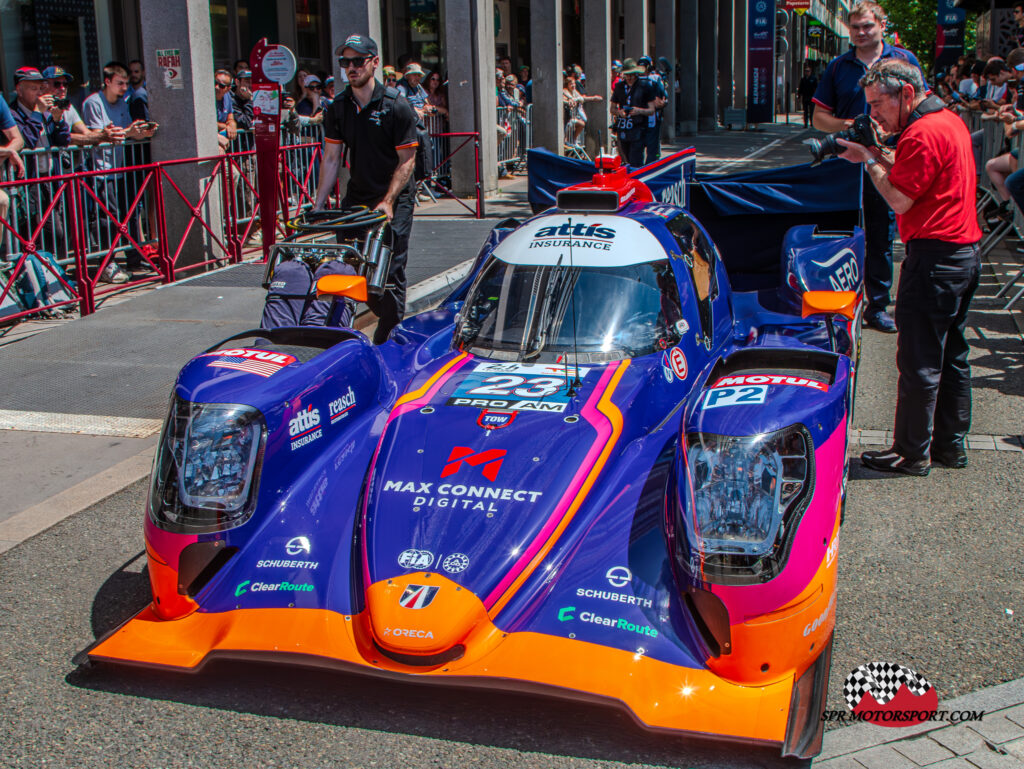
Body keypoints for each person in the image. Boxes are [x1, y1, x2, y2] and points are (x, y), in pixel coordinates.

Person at [836, 58, 981, 476]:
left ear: (907, 94)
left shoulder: (922, 132)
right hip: (963, 254)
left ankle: (911, 452)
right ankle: (951, 447)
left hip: (936, 257)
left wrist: (868, 158)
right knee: (952, 354)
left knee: (919, 360)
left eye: (878, 104)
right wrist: (878, 151)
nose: (873, 114)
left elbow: (900, 198)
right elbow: (915, 176)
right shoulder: (947, 120)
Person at [812, 1, 926, 335]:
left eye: (868, 26)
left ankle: (877, 306)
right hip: (844, 163)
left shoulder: (904, 61)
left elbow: (921, 108)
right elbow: (819, 118)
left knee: (881, 235)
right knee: (839, 233)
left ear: (882, 26)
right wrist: (856, 126)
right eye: (856, 27)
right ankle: (837, 303)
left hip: (888, 159)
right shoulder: (838, 67)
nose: (862, 33)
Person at [313, 34, 418, 345]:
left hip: (394, 199)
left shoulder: (396, 106)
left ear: (374, 62)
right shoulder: (339, 108)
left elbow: (407, 160)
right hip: (358, 198)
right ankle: (378, 322)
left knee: (389, 272)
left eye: (358, 61)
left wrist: (388, 200)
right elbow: (331, 158)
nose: (351, 68)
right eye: (345, 62)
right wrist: (318, 204)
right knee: (356, 269)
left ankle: (388, 339)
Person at [82, 61, 158, 282]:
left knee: (126, 215)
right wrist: (129, 132)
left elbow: (124, 133)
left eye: (126, 83)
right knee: (106, 219)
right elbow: (102, 135)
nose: (125, 87)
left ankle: (133, 256)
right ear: (107, 82)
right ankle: (106, 263)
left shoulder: (123, 103)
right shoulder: (93, 103)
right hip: (100, 171)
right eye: (120, 83)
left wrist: (141, 133)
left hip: (120, 168)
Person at [40, 67, 112, 146]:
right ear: (44, 86)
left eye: (65, 84)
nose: (62, 88)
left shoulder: (69, 108)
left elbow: (86, 133)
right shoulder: (38, 108)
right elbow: (64, 138)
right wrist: (101, 137)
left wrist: (104, 134)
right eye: (57, 84)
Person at [610, 58, 655, 167]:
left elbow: (651, 110)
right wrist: (619, 112)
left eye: (632, 75)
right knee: (625, 160)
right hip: (623, 129)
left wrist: (638, 111)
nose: (629, 78)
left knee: (636, 160)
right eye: (627, 75)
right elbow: (612, 109)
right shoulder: (619, 87)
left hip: (638, 129)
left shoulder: (645, 86)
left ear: (636, 74)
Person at [638, 55, 666, 163]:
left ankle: (648, 169)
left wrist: (660, 103)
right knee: (639, 149)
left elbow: (662, 99)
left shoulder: (655, 79)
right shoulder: (633, 79)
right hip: (638, 120)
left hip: (651, 119)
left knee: (652, 150)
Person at [214, 68, 237, 151]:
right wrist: (226, 126)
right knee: (220, 151)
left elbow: (230, 118)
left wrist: (232, 124)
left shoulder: (228, 97)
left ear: (228, 88)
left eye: (221, 86)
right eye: (215, 83)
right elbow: (206, 124)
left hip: (222, 140)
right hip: (209, 139)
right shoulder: (207, 97)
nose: (216, 87)